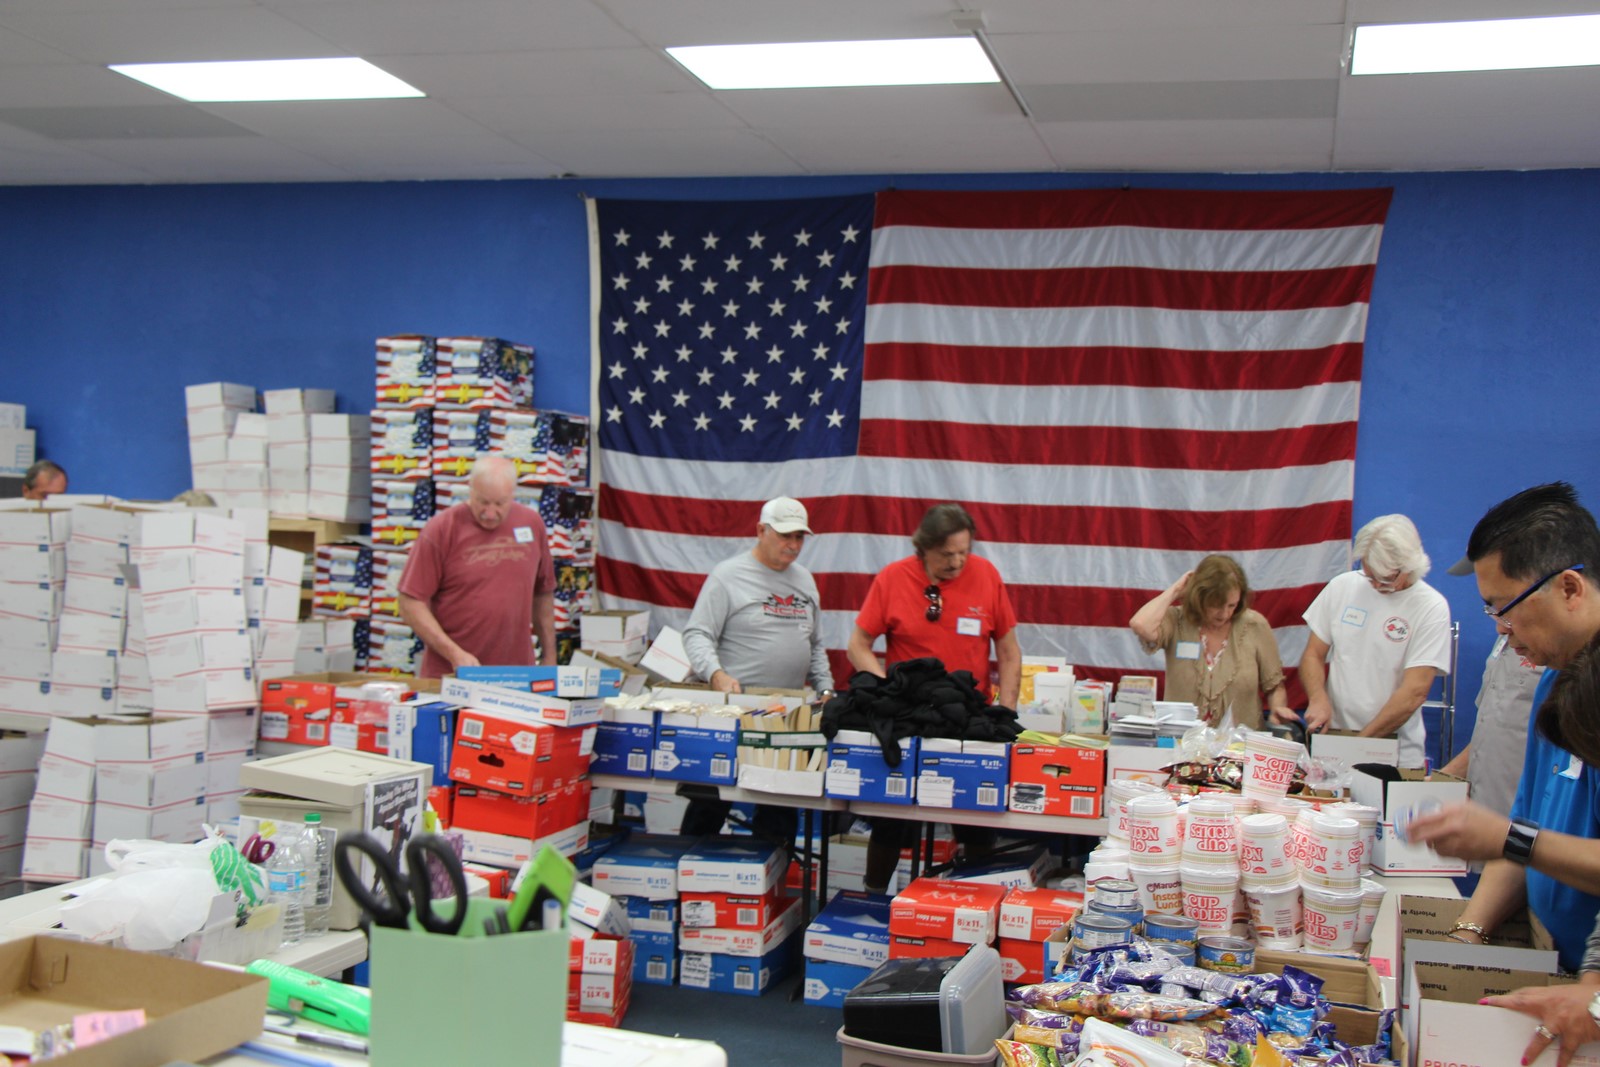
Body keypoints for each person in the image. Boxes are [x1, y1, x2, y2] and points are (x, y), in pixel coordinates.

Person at [1404, 483, 1600, 1065]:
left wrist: (1595, 993)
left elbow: (1520, 837)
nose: (1500, 628)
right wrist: (1466, 938)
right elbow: (1529, 822)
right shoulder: (1552, 684)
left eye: (1505, 607)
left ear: (1569, 586)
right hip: (1564, 967)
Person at [846, 503, 1020, 894]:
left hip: (967, 719)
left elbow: (1009, 651)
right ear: (922, 549)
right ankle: (874, 894)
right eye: (946, 555)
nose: (957, 562)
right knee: (891, 817)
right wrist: (885, 688)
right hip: (910, 720)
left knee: (975, 818)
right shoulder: (892, 579)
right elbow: (857, 645)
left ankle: (976, 901)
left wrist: (1006, 710)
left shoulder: (987, 576)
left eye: (964, 552)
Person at [679, 496, 834, 845]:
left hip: (787, 717)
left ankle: (770, 885)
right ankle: (687, 873)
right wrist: (715, 674)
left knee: (779, 810)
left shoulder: (805, 581)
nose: (793, 546)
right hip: (734, 713)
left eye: (800, 537)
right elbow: (697, 633)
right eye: (785, 536)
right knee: (710, 804)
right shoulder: (728, 576)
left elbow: (815, 645)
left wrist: (825, 690)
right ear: (761, 530)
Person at [1291, 514, 1451, 768]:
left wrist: (1359, 746)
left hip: (1396, 752)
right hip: (1336, 737)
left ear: (1409, 566)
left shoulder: (1431, 607)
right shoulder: (1343, 586)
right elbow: (1313, 654)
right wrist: (1318, 697)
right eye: (1369, 575)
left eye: (1385, 579)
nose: (1375, 585)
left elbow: (1414, 692)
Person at [398, 454, 556, 678]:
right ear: (470, 490)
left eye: (500, 504)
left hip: (517, 676)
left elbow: (543, 592)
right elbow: (409, 602)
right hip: (452, 676)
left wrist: (550, 656)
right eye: (482, 502)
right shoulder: (442, 529)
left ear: (514, 494)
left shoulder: (532, 524)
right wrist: (454, 653)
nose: (490, 514)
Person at [1437, 554, 1545, 818]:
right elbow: (1491, 727)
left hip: (1529, 827)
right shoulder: (1506, 635)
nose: (1500, 626)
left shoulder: (1556, 652)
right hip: (1487, 817)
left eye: (1502, 605)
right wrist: (1444, 779)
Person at [1128, 554, 1290, 730]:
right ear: (1199, 597)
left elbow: (1275, 687)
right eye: (1215, 605)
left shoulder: (1255, 625)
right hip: (1181, 745)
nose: (1224, 614)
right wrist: (1176, 590)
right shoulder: (1177, 621)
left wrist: (1278, 709)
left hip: (1240, 746)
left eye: (1231, 605)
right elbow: (1140, 624)